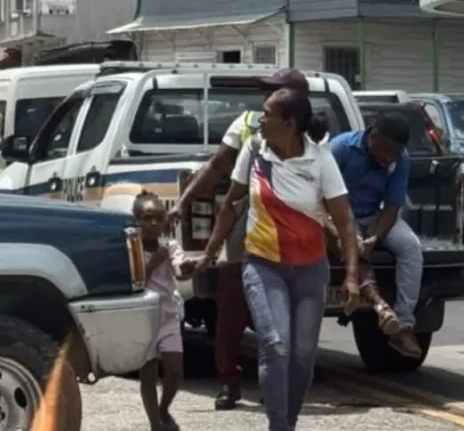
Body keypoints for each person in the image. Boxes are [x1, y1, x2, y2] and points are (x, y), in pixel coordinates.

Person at [194, 88, 360, 431]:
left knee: (301, 358)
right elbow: (230, 206)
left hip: (311, 272)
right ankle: (278, 426)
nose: (260, 119)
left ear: (290, 123)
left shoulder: (320, 159)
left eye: (267, 114)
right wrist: (209, 253)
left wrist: (352, 277)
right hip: (262, 266)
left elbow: (344, 221)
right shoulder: (254, 151)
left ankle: (289, 422)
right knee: (275, 344)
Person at [168, 67, 310, 410]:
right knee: (231, 309)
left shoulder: (313, 138)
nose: (265, 97)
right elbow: (216, 168)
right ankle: (229, 381)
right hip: (247, 229)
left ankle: (274, 382)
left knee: (279, 316)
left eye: (274, 91)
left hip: (290, 238)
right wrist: (184, 203)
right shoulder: (248, 125)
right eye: (267, 92)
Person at [328, 113, 424, 358]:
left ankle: (402, 324)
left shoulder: (400, 160)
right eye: (385, 150)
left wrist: (375, 238)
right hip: (339, 212)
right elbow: (325, 195)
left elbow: (392, 207)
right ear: (373, 136)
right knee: (354, 246)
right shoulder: (341, 148)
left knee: (411, 248)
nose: (388, 158)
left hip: (373, 214)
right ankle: (381, 308)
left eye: (394, 153)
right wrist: (353, 235)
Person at [134, 190, 194, 431]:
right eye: (147, 218)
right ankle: (154, 423)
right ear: (137, 221)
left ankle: (164, 408)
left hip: (167, 316)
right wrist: (154, 261)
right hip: (143, 318)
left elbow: (179, 267)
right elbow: (134, 281)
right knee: (148, 373)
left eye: (159, 217)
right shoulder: (133, 247)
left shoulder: (169, 245)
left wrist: (187, 267)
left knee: (175, 368)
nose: (154, 223)